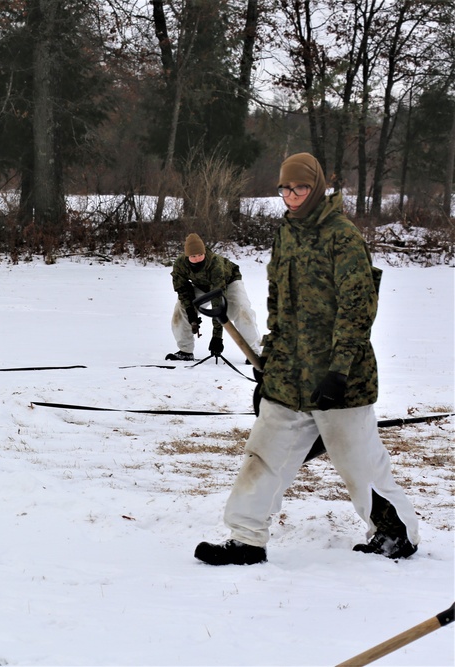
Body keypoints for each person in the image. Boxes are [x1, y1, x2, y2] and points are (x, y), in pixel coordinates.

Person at [194, 152, 420, 566]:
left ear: (315, 186)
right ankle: (246, 538)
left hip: (340, 378)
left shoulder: (342, 235)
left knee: (358, 462)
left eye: (300, 188)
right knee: (263, 454)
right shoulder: (287, 233)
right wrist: (271, 363)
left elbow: (358, 308)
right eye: (285, 188)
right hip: (289, 375)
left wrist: (338, 371)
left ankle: (394, 533)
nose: (292, 196)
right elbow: (279, 303)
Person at [167, 233, 261, 362]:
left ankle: (254, 353)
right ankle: (185, 351)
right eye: (193, 256)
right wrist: (192, 315)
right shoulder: (180, 264)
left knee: (242, 309)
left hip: (228, 282)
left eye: (200, 255)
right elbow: (183, 290)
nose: (198, 258)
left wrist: (217, 337)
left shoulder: (215, 263)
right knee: (180, 309)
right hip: (201, 285)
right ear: (187, 256)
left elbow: (218, 301)